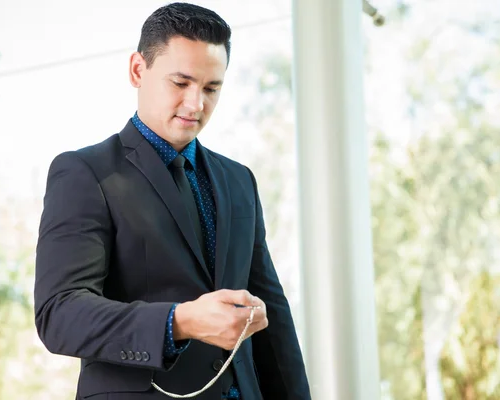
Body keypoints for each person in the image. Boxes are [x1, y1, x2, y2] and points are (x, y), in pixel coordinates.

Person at [34, 2, 311, 399]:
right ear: (137, 70)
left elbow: (274, 319)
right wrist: (178, 321)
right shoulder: (85, 173)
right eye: (180, 83)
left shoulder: (239, 181)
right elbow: (59, 314)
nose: (196, 104)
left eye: (211, 88)